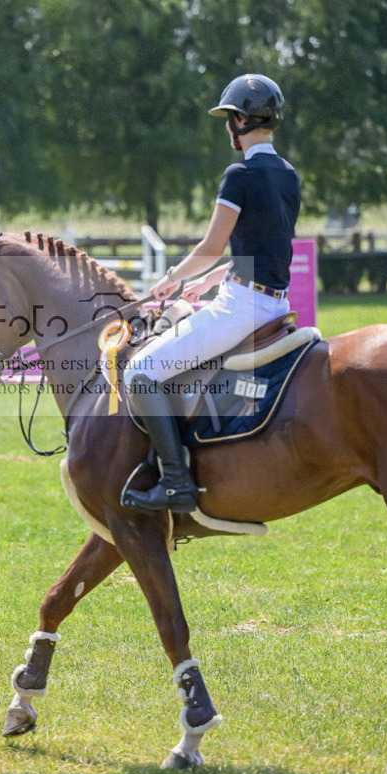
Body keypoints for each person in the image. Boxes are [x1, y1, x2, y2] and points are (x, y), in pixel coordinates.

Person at [122, 73, 300, 514]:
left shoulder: (239, 174)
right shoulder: (288, 174)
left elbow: (210, 246)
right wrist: (209, 280)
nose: (227, 129)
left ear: (240, 120)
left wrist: (175, 278)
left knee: (140, 373)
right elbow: (260, 249)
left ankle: (176, 484)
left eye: (228, 119)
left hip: (240, 310)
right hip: (274, 303)